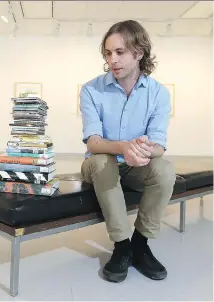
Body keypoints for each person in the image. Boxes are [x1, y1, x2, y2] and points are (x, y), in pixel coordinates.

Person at [79, 20, 176, 283]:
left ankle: (140, 244)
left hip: (136, 165)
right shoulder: (91, 89)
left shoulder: (158, 94)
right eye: (108, 53)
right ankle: (122, 246)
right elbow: (93, 142)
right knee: (102, 162)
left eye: (120, 52)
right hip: (98, 166)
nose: (113, 59)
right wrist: (123, 147)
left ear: (139, 52)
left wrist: (142, 151)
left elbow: (159, 145)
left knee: (165, 170)